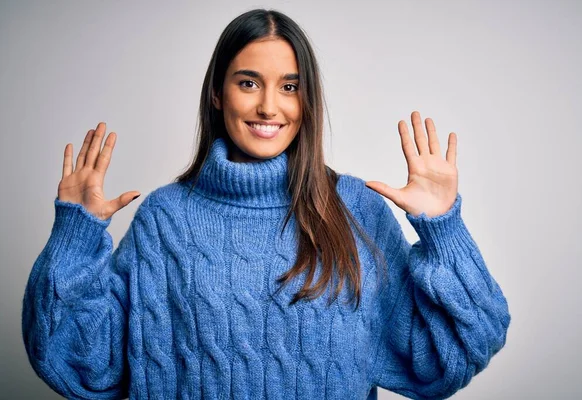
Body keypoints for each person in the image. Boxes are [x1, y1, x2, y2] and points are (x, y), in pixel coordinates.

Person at [21, 8, 511, 400]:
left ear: (308, 100)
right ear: (217, 93)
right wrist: (74, 235)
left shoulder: (355, 211)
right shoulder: (165, 219)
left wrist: (443, 228)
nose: (269, 107)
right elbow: (77, 365)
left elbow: (455, 354)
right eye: (249, 82)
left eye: (290, 87)